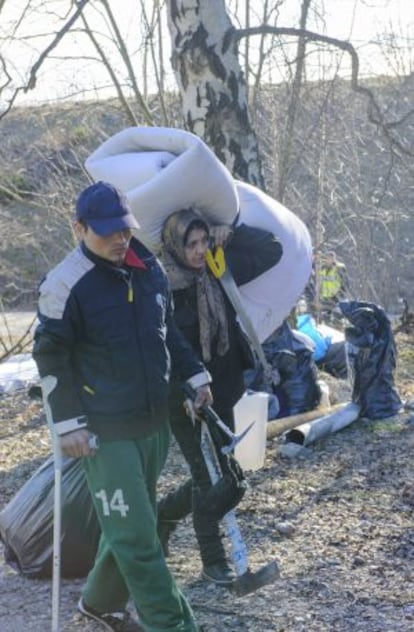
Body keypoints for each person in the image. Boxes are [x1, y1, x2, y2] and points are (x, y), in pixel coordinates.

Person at [32, 182, 213, 632]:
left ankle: (98, 603)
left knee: (134, 522)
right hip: (101, 432)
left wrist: (194, 376)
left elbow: (166, 331)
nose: (120, 240)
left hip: (153, 421)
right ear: (79, 228)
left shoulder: (148, 268)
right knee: (138, 538)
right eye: (107, 232)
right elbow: (50, 358)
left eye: (125, 230)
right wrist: (68, 424)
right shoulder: (64, 283)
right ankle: (173, 625)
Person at [157, 208, 283, 585]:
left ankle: (163, 513)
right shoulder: (161, 286)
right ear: (175, 246)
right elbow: (166, 344)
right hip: (181, 394)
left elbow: (272, 251)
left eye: (203, 241)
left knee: (233, 477)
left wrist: (232, 231)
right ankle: (215, 564)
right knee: (205, 478)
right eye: (191, 244)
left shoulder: (217, 268)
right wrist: (188, 384)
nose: (198, 251)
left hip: (223, 387)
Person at [319, 250, 349, 319]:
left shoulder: (339, 268)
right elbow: (319, 282)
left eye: (331, 258)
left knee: (336, 317)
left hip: (335, 297)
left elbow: (345, 283)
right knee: (324, 317)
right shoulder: (322, 269)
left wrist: (340, 294)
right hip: (325, 297)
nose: (328, 260)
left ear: (334, 259)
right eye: (327, 258)